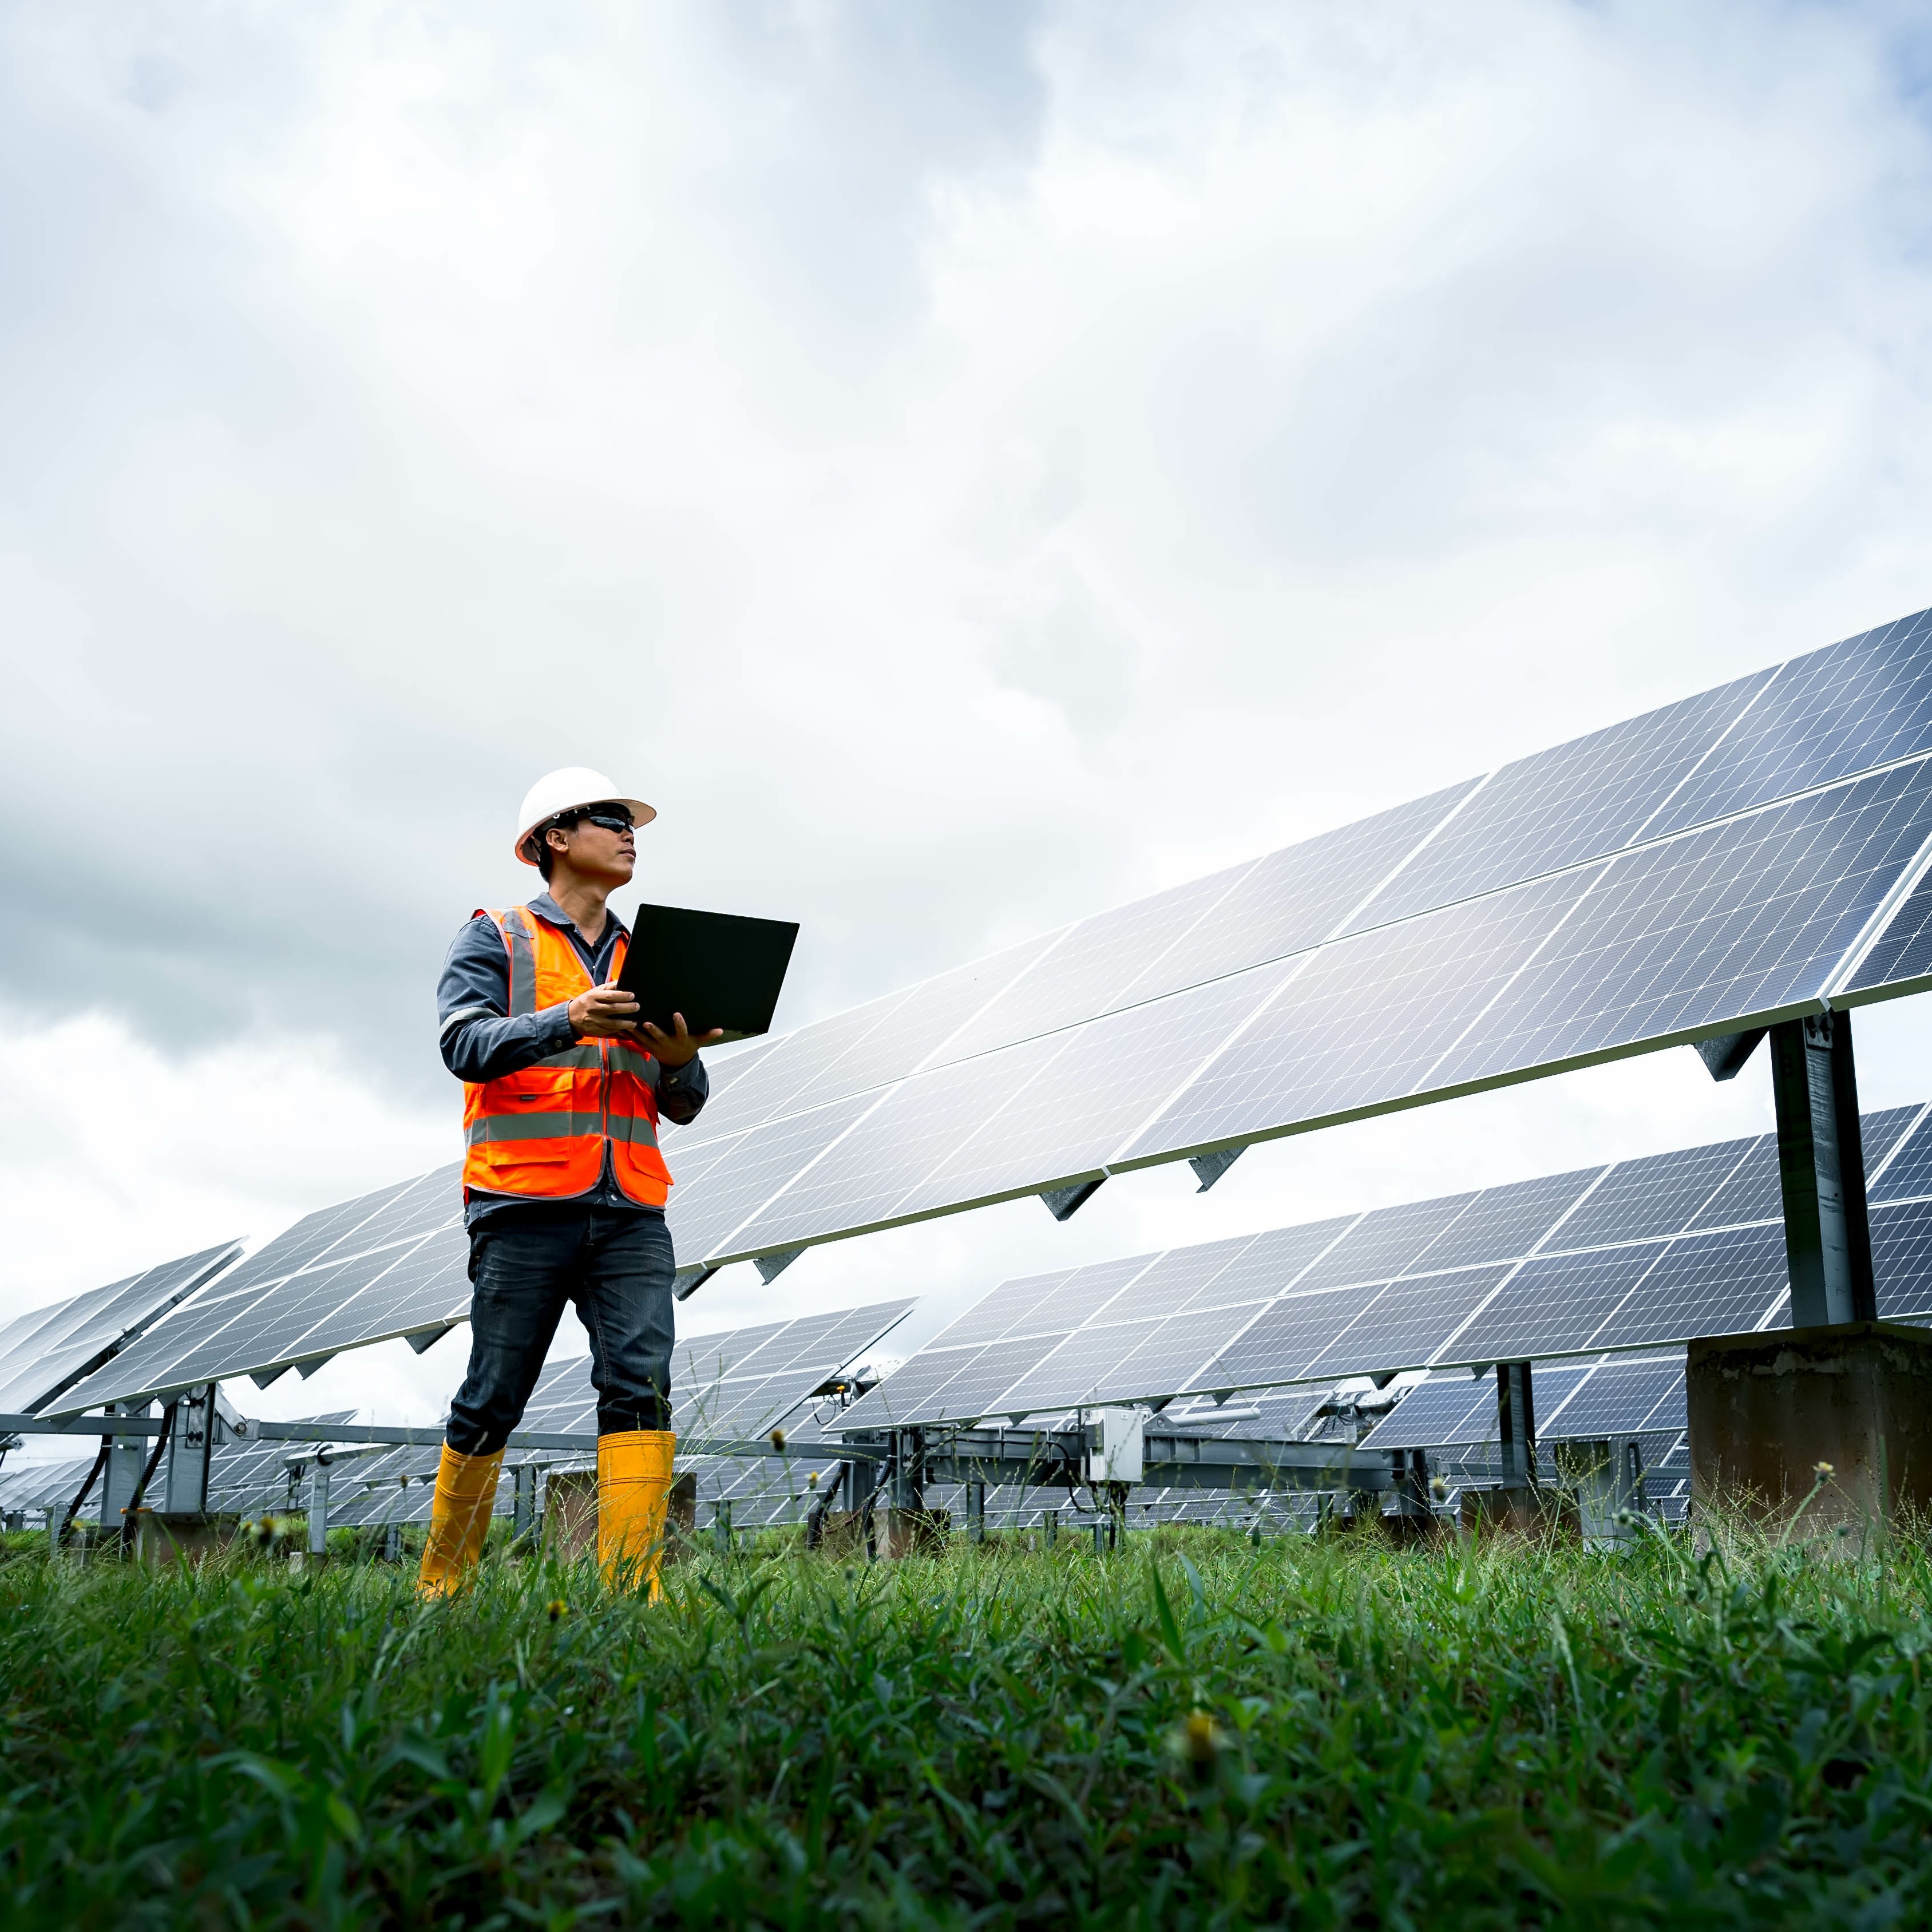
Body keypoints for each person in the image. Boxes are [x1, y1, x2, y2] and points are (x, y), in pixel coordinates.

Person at [418, 766, 721, 1598]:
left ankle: (633, 1590)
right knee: (493, 1394)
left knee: (641, 1384)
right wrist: (568, 1019)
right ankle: (444, 1585)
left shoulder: (649, 955)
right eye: (610, 820)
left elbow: (686, 1102)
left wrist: (678, 1059)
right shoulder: (499, 937)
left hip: (631, 1210)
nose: (630, 835)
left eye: (633, 826)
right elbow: (463, 1047)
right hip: (522, 1204)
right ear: (556, 838)